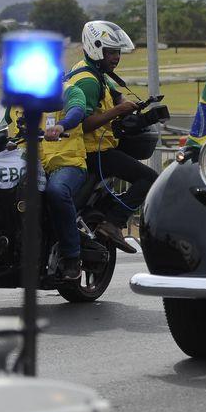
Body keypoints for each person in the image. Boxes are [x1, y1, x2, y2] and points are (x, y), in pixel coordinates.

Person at [72, 20, 157, 252]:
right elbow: (81, 125)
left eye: (118, 52)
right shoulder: (88, 81)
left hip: (98, 149)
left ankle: (102, 214)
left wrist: (122, 101)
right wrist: (117, 111)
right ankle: (114, 222)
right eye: (110, 52)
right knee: (149, 178)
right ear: (95, 48)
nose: (116, 57)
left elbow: (112, 88)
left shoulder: (93, 71)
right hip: (93, 152)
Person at [41, 77, 91, 281]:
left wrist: (61, 126)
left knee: (56, 191)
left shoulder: (70, 90)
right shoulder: (25, 97)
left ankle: (72, 256)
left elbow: (77, 110)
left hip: (69, 163)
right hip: (34, 163)